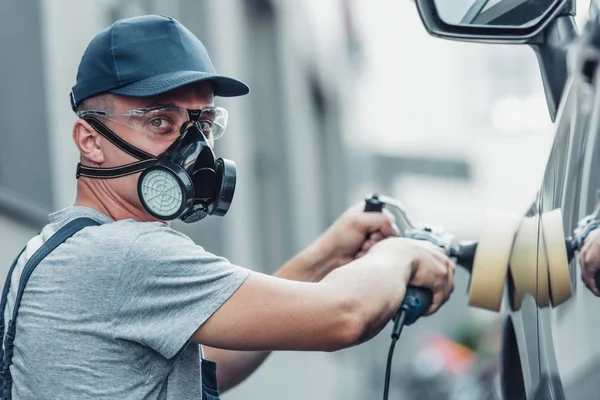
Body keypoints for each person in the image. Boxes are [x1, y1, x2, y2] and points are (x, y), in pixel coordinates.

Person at [1, 15, 455, 400]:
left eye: (202, 124)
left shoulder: (52, 249)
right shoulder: (129, 252)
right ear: (90, 141)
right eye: (160, 121)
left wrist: (324, 258)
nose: (192, 148)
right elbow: (344, 316)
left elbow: (205, 367)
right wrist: (403, 254)